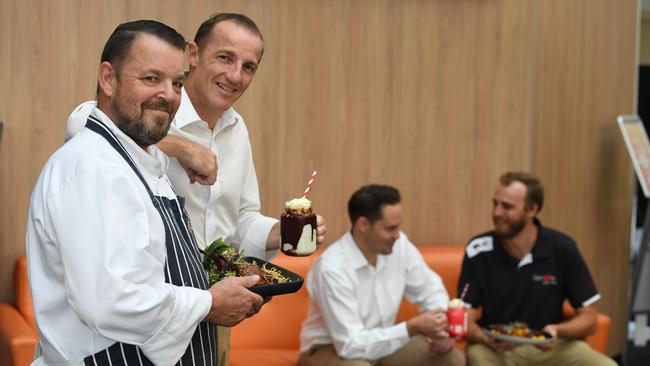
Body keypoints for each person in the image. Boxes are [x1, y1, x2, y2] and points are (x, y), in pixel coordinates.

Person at [66, 14, 328, 365]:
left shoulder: (237, 129)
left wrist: (279, 233)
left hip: (212, 305)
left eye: (248, 67)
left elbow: (240, 218)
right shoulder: (156, 105)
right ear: (193, 54)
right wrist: (180, 146)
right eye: (225, 57)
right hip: (149, 309)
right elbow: (84, 120)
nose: (235, 76)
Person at [26, 20, 264, 366]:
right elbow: (112, 302)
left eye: (176, 83)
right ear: (108, 79)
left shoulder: (142, 159)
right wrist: (209, 303)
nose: (168, 95)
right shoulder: (96, 169)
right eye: (151, 79)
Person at [458, 171, 616, 366]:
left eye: (507, 207)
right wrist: (485, 339)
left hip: (549, 347)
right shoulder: (478, 250)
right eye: (495, 203)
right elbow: (465, 318)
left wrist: (557, 331)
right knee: (477, 357)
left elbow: (590, 319)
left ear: (532, 209)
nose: (496, 213)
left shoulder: (562, 248)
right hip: (494, 348)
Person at [299, 184, 465, 366]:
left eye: (398, 227)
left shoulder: (399, 246)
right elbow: (350, 345)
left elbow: (431, 289)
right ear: (363, 225)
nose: (397, 235)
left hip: (383, 342)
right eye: (390, 229)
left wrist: (440, 329)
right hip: (330, 348)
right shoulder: (332, 269)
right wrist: (412, 328)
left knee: (452, 358)